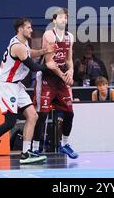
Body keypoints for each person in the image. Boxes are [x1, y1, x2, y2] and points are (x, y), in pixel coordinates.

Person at [0, 18, 56, 165]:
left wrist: (43, 51)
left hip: (16, 85)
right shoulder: (17, 46)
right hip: (6, 86)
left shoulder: (22, 43)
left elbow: (29, 52)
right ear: (20, 29)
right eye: (29, 28)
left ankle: (25, 154)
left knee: (33, 115)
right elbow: (33, 67)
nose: (31, 30)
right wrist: (50, 66)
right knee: (10, 122)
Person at [32, 8, 79, 159]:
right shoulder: (48, 35)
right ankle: (35, 147)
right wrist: (64, 76)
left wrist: (70, 71)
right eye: (60, 17)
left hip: (61, 79)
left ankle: (64, 144)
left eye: (65, 17)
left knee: (69, 113)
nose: (63, 20)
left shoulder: (70, 36)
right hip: (47, 77)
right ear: (53, 20)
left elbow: (69, 59)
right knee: (42, 113)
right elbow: (50, 62)